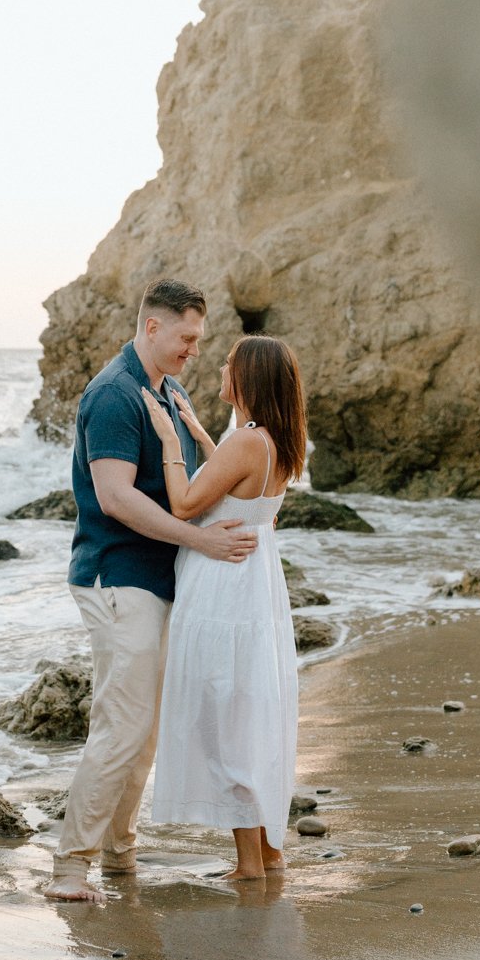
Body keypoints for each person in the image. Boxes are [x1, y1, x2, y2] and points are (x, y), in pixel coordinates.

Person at [44, 278, 260, 903]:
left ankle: (119, 853)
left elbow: (187, 489)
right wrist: (200, 542)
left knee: (145, 729)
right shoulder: (113, 394)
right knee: (122, 725)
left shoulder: (171, 389)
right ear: (152, 328)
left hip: (160, 580)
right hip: (116, 577)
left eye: (199, 339)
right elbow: (115, 498)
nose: (194, 349)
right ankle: (69, 867)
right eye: (186, 338)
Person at [141, 334, 307, 881]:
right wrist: (200, 434)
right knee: (249, 710)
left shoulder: (246, 443)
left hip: (223, 587)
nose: (218, 366)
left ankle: (248, 865)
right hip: (256, 587)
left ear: (248, 378)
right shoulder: (275, 441)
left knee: (224, 712)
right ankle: (268, 849)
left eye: (229, 363)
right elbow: (241, 495)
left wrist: (169, 439)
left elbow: (188, 504)